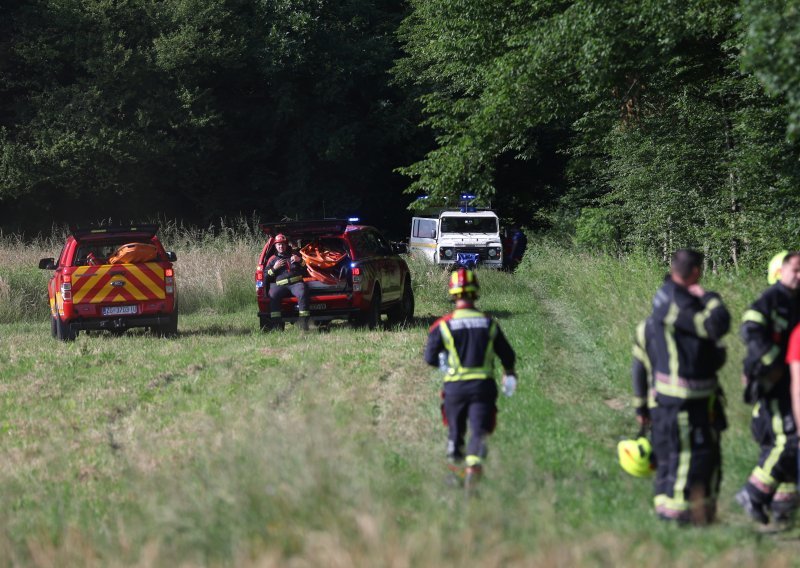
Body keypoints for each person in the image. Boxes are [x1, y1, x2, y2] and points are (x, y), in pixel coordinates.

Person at [648, 249, 730, 524]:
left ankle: (686, 512)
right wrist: (710, 297)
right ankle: (675, 517)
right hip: (683, 396)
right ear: (695, 271)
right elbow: (716, 325)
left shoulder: (666, 292)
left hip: (685, 393)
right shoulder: (676, 301)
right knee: (683, 456)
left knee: (682, 455)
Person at [423, 266, 517, 492]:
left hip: (455, 390)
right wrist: (509, 372)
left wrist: (445, 365)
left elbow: (430, 358)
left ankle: (454, 470)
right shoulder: (489, 324)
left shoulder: (443, 325)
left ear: (453, 294)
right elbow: (508, 355)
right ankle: (473, 468)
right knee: (479, 430)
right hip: (482, 388)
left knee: (455, 433)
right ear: (475, 293)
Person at [736, 251, 800, 526]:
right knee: (787, 439)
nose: (799, 276)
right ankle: (752, 494)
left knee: (784, 441)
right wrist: (771, 362)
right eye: (796, 270)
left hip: (789, 380)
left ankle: (782, 507)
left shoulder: (795, 300)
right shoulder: (771, 299)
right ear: (782, 271)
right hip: (770, 381)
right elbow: (750, 329)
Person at [264, 233, 310, 330]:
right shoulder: (272, 260)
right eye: (279, 245)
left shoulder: (295, 255)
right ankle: (277, 327)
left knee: (302, 292)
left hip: (296, 284)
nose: (281, 246)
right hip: (280, 286)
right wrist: (274, 268)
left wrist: (300, 260)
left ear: (286, 245)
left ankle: (304, 325)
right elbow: (266, 276)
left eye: (283, 244)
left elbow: (306, 269)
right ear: (275, 246)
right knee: (273, 294)